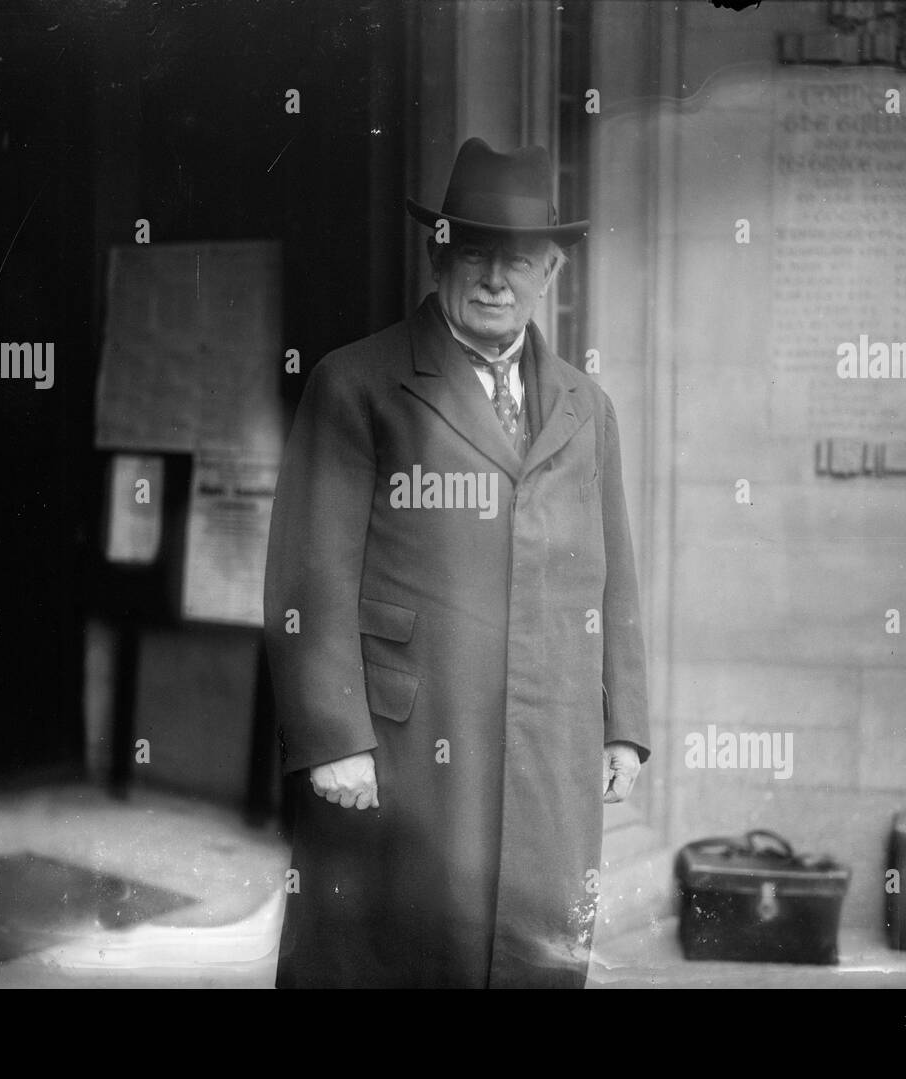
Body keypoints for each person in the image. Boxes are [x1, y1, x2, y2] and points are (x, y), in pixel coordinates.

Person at [263, 137, 650, 988]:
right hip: (406, 750)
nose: (495, 280)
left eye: (520, 260)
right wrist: (334, 738)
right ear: (439, 255)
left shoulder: (590, 407)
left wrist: (623, 724)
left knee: (529, 959)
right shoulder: (358, 383)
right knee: (390, 959)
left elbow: (613, 574)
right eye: (474, 254)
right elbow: (309, 574)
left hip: (548, 745)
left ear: (552, 269)